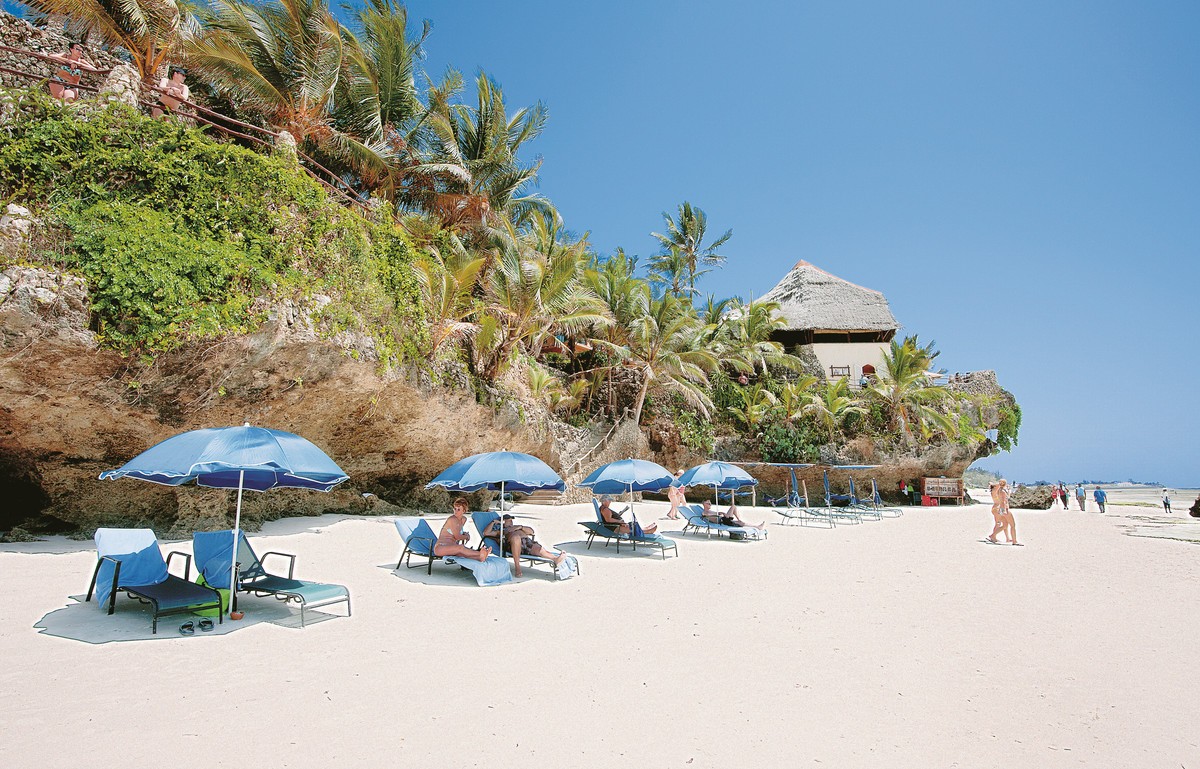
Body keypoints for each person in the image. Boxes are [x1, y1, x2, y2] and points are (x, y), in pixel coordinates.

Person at [482, 514, 568, 577]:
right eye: (508, 520)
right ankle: (517, 567)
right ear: (503, 522)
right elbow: (486, 533)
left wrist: (520, 527)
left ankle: (555, 559)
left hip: (527, 542)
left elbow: (531, 531)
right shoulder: (501, 530)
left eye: (511, 520)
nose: (511, 522)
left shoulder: (518, 527)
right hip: (513, 544)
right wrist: (494, 522)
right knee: (516, 537)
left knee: (539, 549)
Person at [433, 497, 491, 561]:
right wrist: (466, 536)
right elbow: (458, 536)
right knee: (461, 548)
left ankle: (481, 557)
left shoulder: (463, 519)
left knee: (462, 553)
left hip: (452, 547)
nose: (455, 511)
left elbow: (458, 531)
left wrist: (464, 534)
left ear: (464, 510)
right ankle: (481, 553)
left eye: (458, 509)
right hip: (441, 547)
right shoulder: (452, 519)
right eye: (455, 509)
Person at [699, 499, 765, 530]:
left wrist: (721, 513)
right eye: (708, 503)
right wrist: (719, 515)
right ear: (704, 504)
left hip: (724, 520)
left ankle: (757, 527)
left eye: (710, 503)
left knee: (741, 523)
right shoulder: (704, 512)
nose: (710, 504)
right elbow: (706, 516)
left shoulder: (710, 511)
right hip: (722, 521)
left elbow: (716, 514)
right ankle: (739, 519)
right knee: (733, 506)